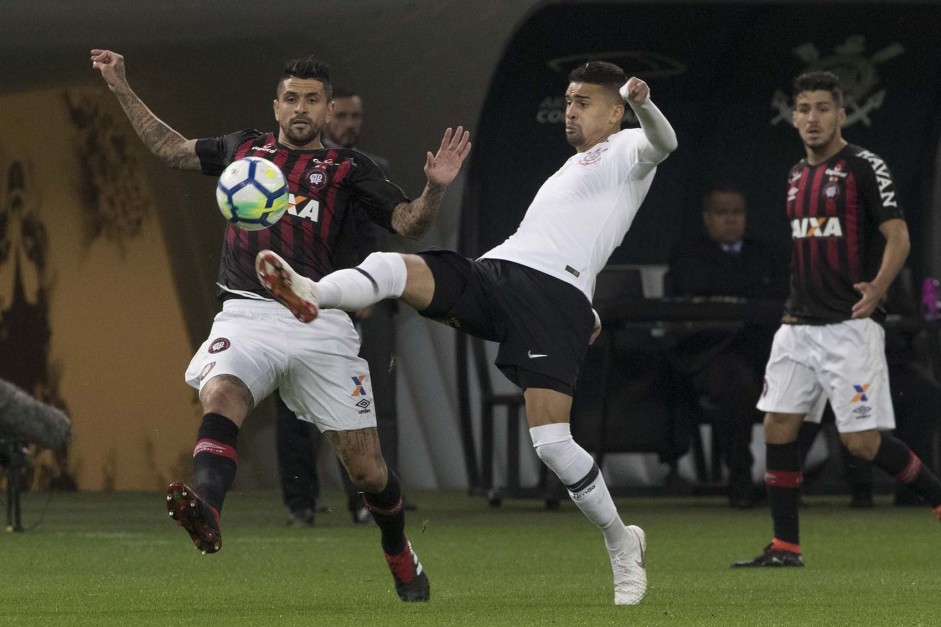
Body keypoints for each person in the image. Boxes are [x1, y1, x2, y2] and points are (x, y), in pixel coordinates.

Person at [256, 61, 677, 605]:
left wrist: (644, 104)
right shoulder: (572, 168)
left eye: (583, 103)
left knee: (551, 444)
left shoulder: (628, 149)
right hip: (498, 273)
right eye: (567, 101)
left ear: (616, 111)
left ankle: (623, 543)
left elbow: (664, 143)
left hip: (553, 300)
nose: (570, 112)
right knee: (393, 268)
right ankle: (313, 294)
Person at [90, 48, 471, 602]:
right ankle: (209, 509)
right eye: (291, 98)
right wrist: (121, 84)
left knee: (367, 470)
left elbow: (409, 223)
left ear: (327, 109)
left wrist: (435, 186)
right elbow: (171, 149)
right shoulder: (245, 150)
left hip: (321, 322)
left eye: (312, 100)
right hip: (246, 313)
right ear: (276, 105)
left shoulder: (349, 169)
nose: (300, 108)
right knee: (221, 393)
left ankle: (399, 552)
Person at [732, 71, 941, 568]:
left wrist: (879, 287)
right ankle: (786, 547)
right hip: (797, 326)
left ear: (841, 114)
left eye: (823, 108)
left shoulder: (864, 166)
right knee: (778, 426)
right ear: (793, 115)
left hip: (848, 327)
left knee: (861, 443)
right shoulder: (793, 176)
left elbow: (900, 237)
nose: (812, 118)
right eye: (803, 108)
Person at [275, 88, 402, 527]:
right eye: (343, 114)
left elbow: (383, 235)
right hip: (307, 298)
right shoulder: (292, 170)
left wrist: (369, 291)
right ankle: (300, 502)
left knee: (374, 401)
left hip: (367, 301)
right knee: (295, 407)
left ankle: (374, 499)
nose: (350, 123)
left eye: (356, 115)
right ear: (327, 116)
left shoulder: (374, 170)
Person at [668, 182, 788, 508]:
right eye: (722, 213)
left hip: (762, 349)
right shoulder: (688, 254)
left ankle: (788, 480)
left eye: (737, 212)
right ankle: (741, 481)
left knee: (804, 381)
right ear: (707, 218)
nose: (731, 220)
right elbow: (692, 295)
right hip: (709, 352)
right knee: (735, 385)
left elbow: (779, 294)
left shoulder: (765, 252)